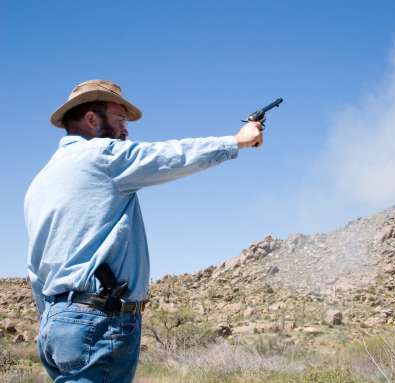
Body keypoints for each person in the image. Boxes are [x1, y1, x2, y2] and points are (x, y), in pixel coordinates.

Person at [24, 79, 263, 382]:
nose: (125, 130)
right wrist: (237, 141)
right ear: (91, 119)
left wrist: (53, 319)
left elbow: (35, 270)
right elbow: (169, 156)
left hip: (55, 326)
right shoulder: (103, 156)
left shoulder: (40, 181)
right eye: (119, 119)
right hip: (97, 321)